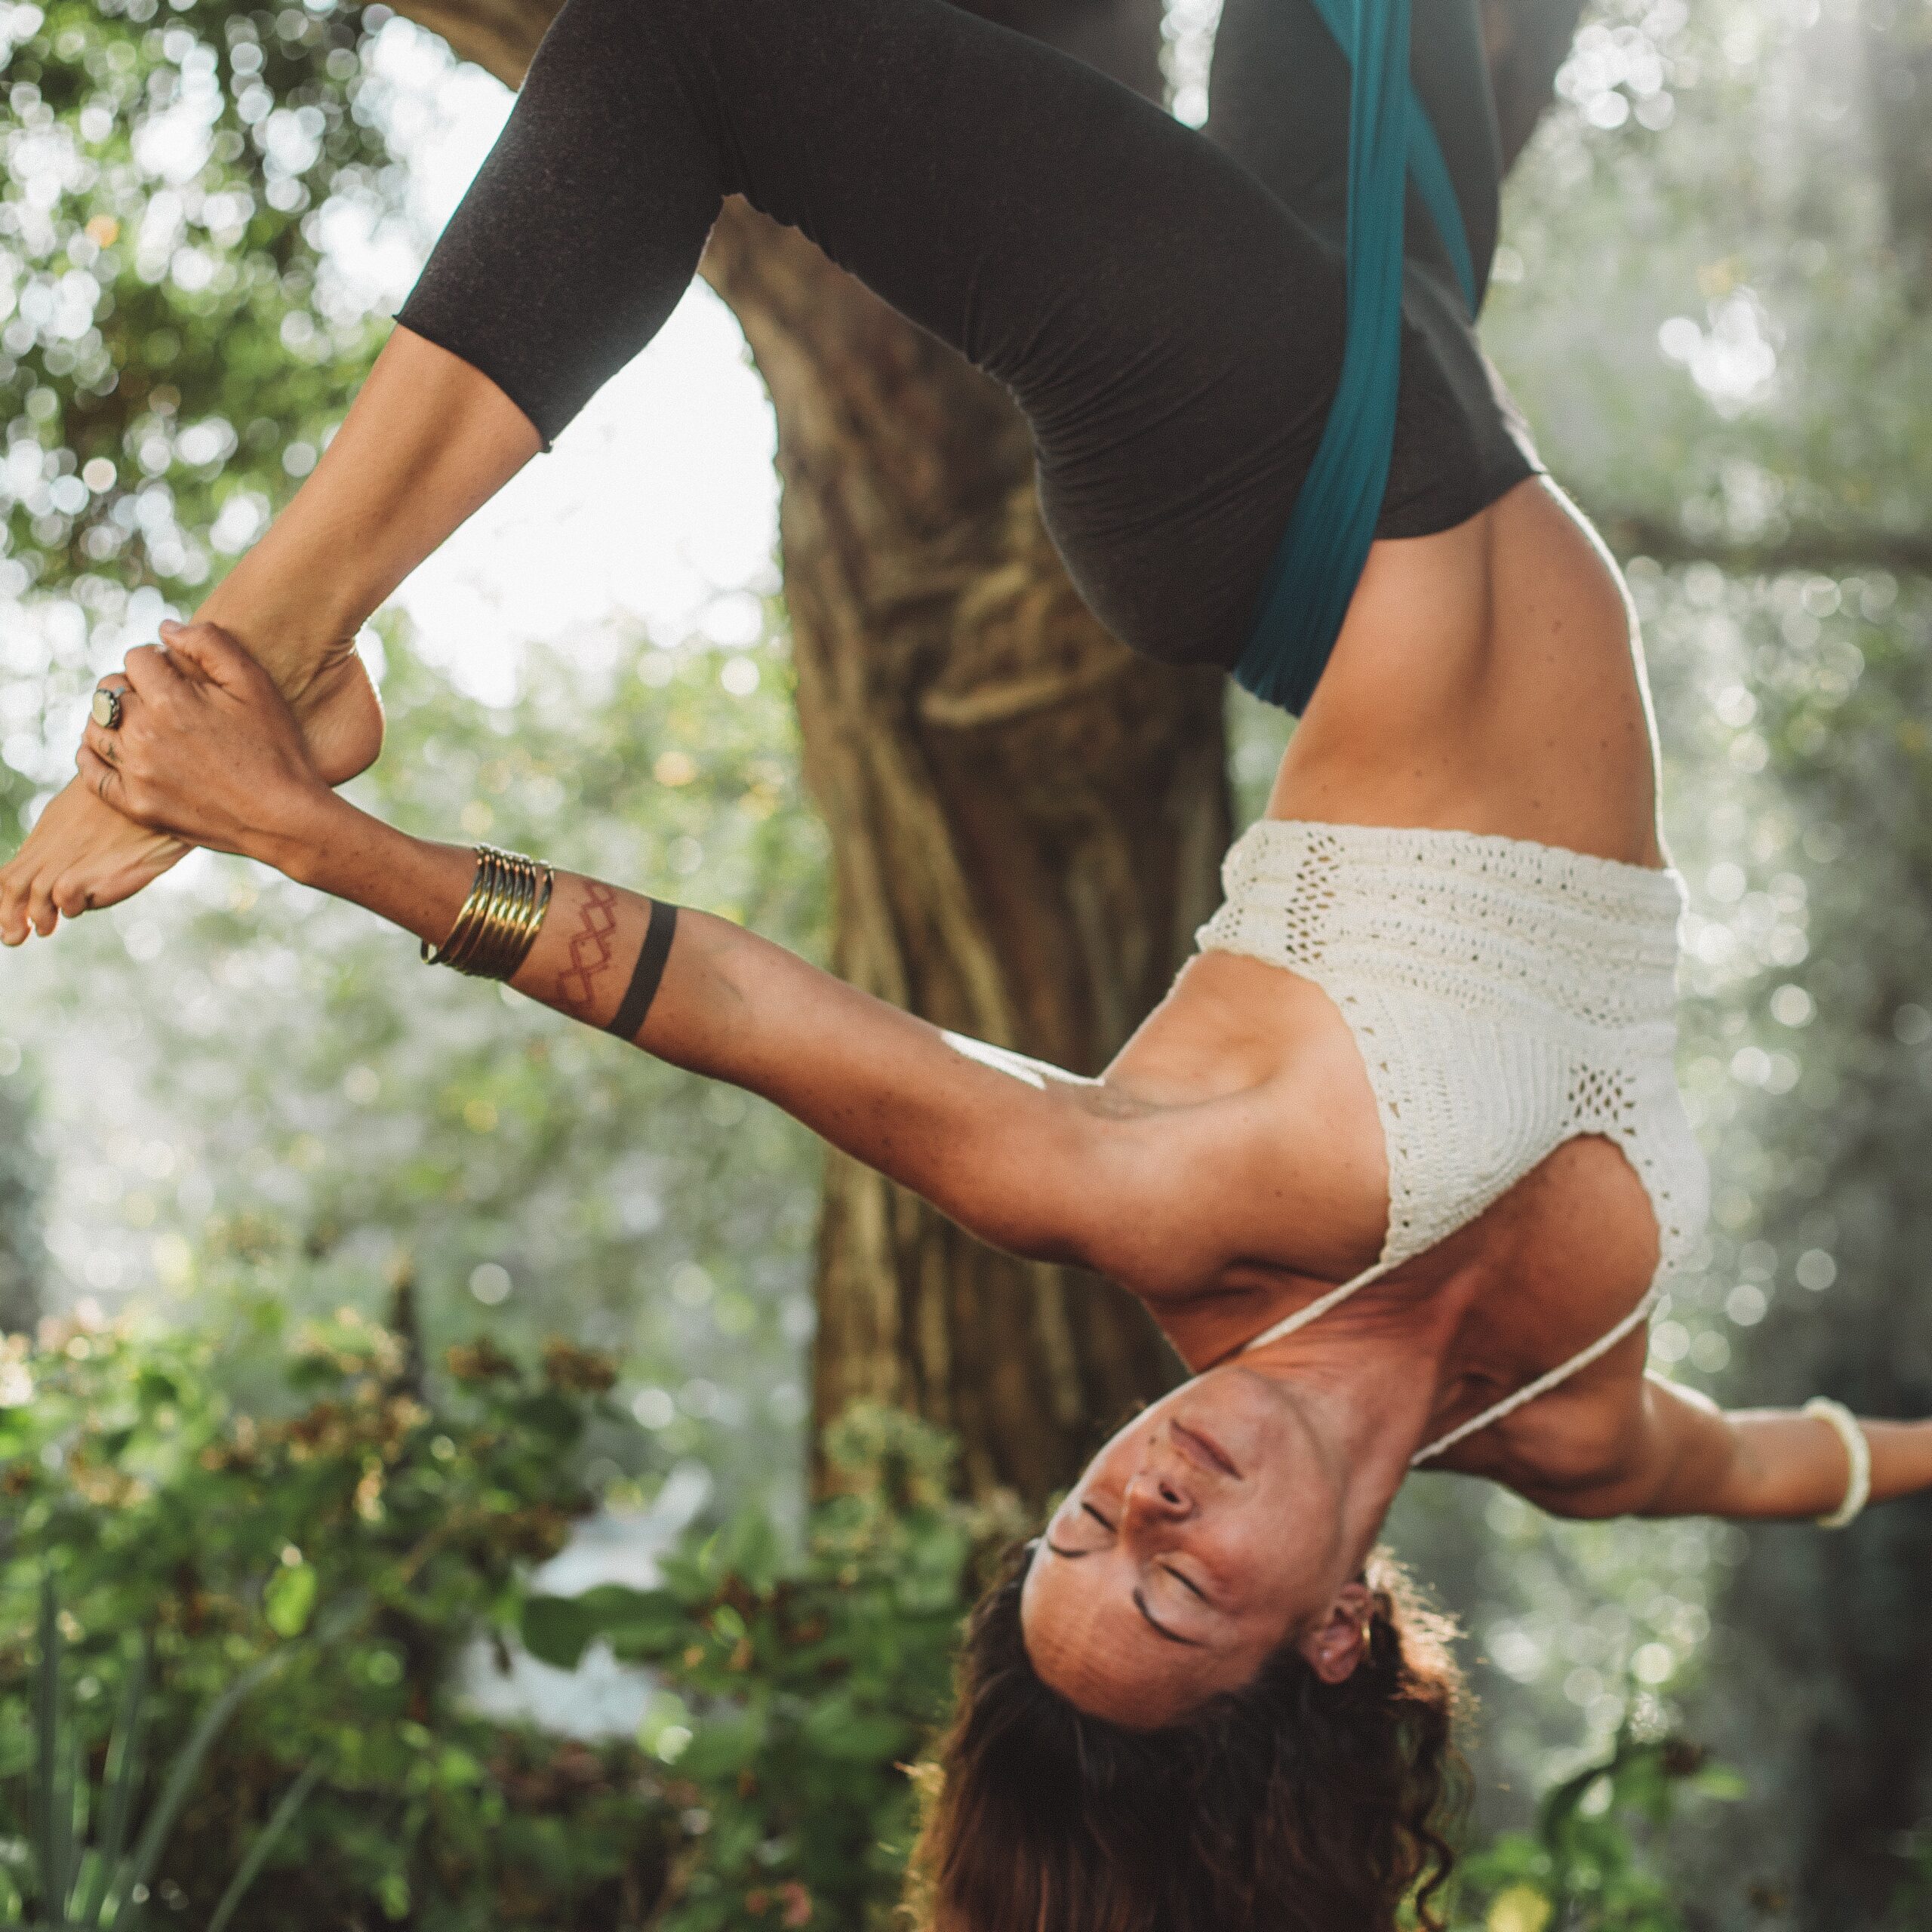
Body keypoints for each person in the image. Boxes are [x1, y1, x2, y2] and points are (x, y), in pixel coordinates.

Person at [15, 0, 1932, 1927]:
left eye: (1079, 1523)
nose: (1143, 1494)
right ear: (1334, 1633)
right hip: (1427, 376)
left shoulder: (1163, 1208)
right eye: (1171, 1577)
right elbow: (1800, 1462)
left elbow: (719, 998)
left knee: (693, 49)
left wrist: (306, 831)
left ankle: (248, 662)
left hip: (1286, 470)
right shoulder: (1575, 1423)